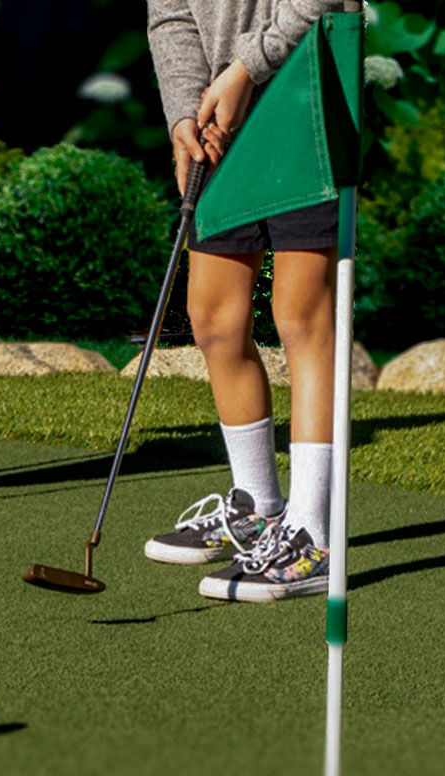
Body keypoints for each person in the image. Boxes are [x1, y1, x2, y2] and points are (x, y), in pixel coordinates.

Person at [144, 0, 343, 600]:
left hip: (307, 99)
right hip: (220, 117)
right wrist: (184, 109)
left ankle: (312, 538)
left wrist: (244, 70)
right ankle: (258, 508)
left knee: (301, 315)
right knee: (213, 316)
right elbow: (171, 15)